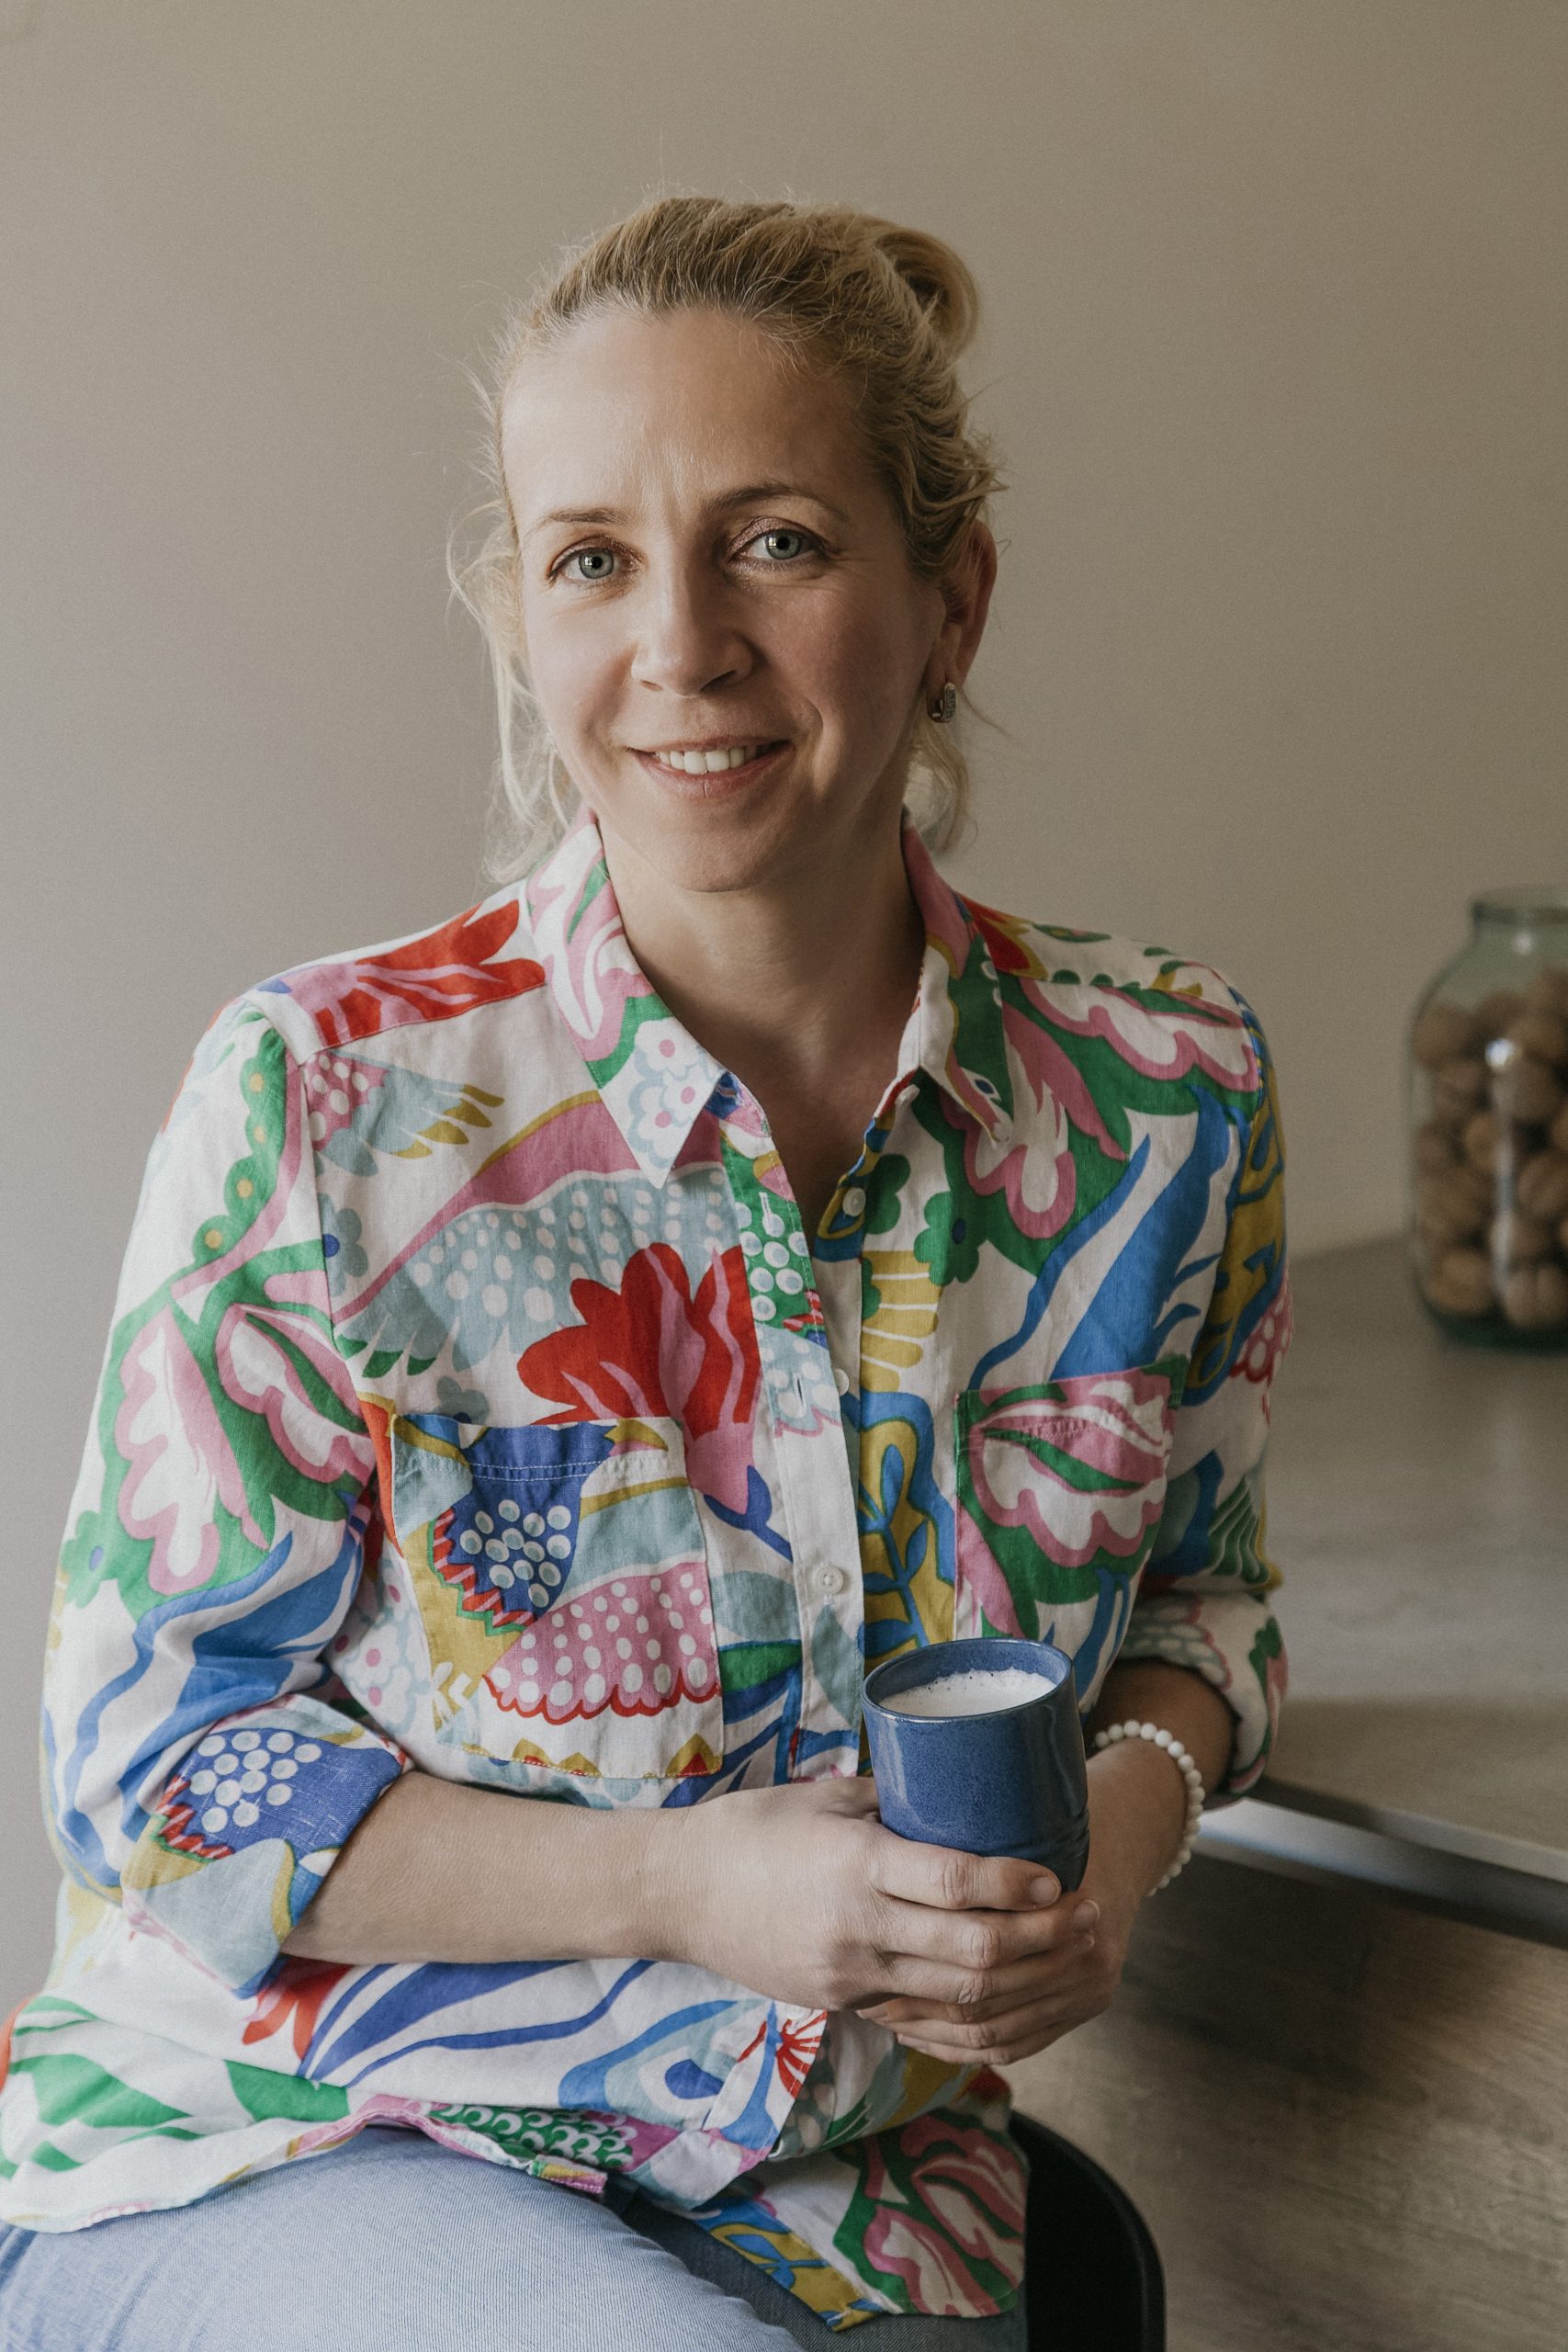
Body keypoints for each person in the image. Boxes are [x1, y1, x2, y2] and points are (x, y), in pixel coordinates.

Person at [0, 195, 1291, 2348]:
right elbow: (156, 1760)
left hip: (853, 2203)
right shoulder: (319, 1097)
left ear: (950, 598)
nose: (680, 642)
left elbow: (1202, 1604)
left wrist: (1117, 1846)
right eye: (591, 557)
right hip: (295, 2147)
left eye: (772, 541)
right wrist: (683, 1884)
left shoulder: (1164, 1092)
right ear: (522, 617)